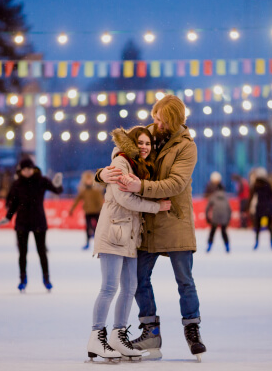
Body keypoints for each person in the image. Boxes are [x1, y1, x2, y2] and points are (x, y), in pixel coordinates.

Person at [98, 94, 206, 361]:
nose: (155, 122)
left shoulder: (186, 147)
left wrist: (141, 187)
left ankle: (192, 329)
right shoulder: (149, 135)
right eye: (155, 117)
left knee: (185, 281)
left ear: (171, 120)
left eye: (159, 119)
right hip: (147, 222)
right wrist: (102, 174)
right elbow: (123, 153)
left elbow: (175, 183)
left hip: (175, 220)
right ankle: (150, 331)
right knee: (138, 280)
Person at [86, 126, 171, 362]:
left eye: (148, 143)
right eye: (140, 142)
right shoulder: (122, 162)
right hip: (114, 231)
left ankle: (118, 334)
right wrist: (156, 206)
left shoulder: (139, 166)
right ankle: (96, 336)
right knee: (109, 288)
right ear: (132, 143)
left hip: (131, 235)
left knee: (130, 287)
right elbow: (124, 197)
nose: (144, 147)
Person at [0, 158, 63, 292]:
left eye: (29, 169)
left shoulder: (42, 180)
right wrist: (8, 218)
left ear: (33, 169)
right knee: (22, 253)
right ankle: (22, 279)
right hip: (22, 222)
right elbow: (13, 203)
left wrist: (58, 184)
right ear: (21, 171)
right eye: (24, 170)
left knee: (42, 252)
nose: (27, 172)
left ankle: (46, 278)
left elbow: (57, 191)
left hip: (39, 221)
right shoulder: (17, 184)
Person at [69, 171, 104, 251]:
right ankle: (87, 243)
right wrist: (72, 209)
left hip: (96, 211)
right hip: (88, 212)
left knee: (98, 228)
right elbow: (77, 200)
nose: (88, 181)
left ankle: (100, 243)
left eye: (89, 180)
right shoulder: (83, 191)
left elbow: (100, 200)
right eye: (87, 180)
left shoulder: (96, 190)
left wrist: (102, 210)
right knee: (88, 228)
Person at [249, 167, 272, 250]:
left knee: (257, 226)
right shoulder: (268, 184)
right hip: (268, 206)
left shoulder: (255, 185)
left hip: (260, 207)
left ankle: (256, 243)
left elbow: (251, 197)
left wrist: (247, 207)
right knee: (270, 226)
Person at [205, 183, 232, 253]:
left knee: (212, 232)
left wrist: (207, 217)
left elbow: (207, 208)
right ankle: (227, 246)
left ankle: (209, 246)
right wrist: (228, 219)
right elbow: (229, 209)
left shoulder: (213, 196)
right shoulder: (226, 197)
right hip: (224, 217)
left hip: (215, 217)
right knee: (224, 232)